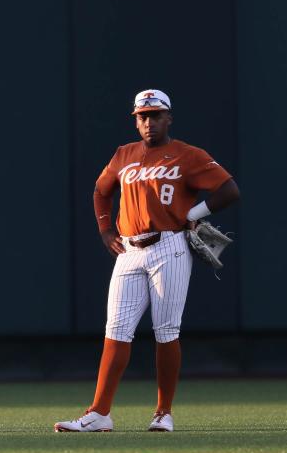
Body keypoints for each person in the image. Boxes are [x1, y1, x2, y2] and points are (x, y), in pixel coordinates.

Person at [55, 89, 240, 433]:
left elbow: (229, 190)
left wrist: (193, 214)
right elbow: (100, 190)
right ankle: (99, 413)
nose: (148, 122)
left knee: (166, 331)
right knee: (116, 331)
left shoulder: (188, 154)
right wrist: (105, 230)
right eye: (142, 116)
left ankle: (163, 412)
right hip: (128, 249)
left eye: (155, 115)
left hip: (169, 245)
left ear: (169, 118)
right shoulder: (124, 154)